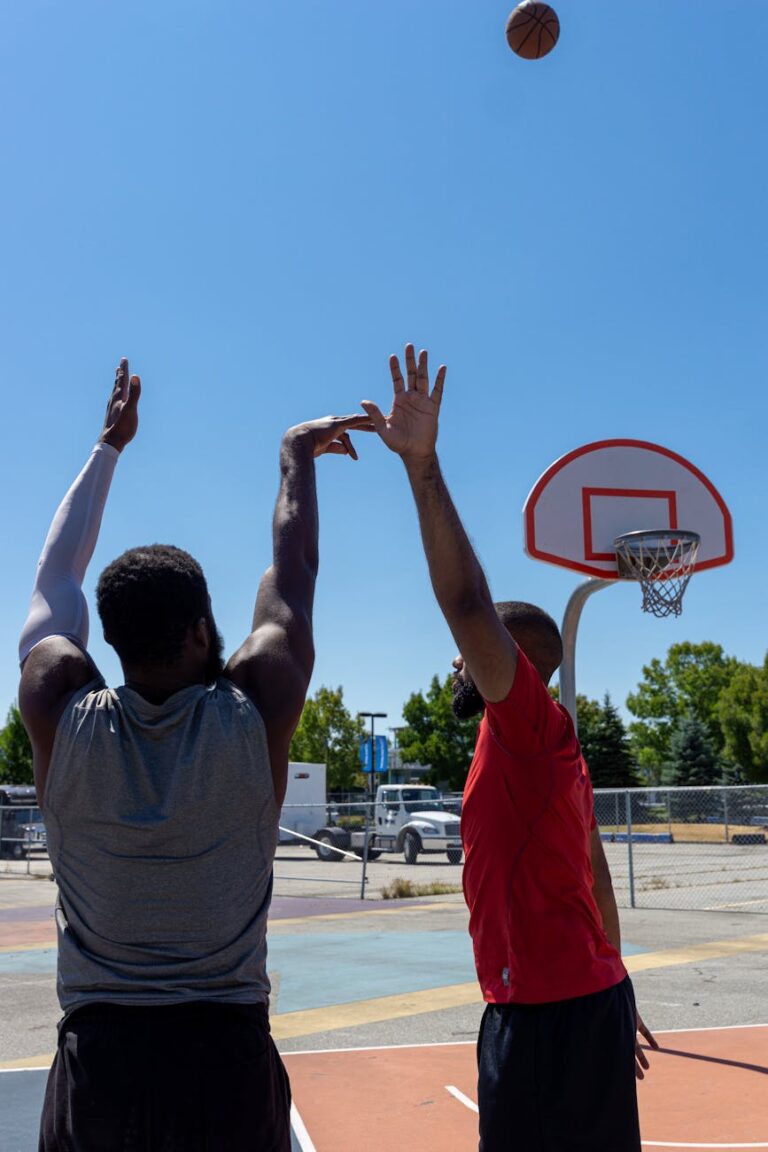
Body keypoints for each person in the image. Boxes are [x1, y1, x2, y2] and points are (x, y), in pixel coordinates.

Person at [19, 358, 372, 1152]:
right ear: (195, 632)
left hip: (99, 1063)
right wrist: (294, 455)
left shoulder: (55, 702)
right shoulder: (254, 708)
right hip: (224, 1061)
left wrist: (109, 446)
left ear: (109, 639)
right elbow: (294, 574)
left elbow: (56, 576)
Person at [362, 345, 658, 1152]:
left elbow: (465, 606)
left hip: (547, 1015)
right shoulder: (558, 755)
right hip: (582, 1001)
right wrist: (620, 983)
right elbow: (595, 874)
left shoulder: (528, 726)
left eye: (476, 656)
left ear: (513, 666)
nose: (456, 661)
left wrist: (422, 467)